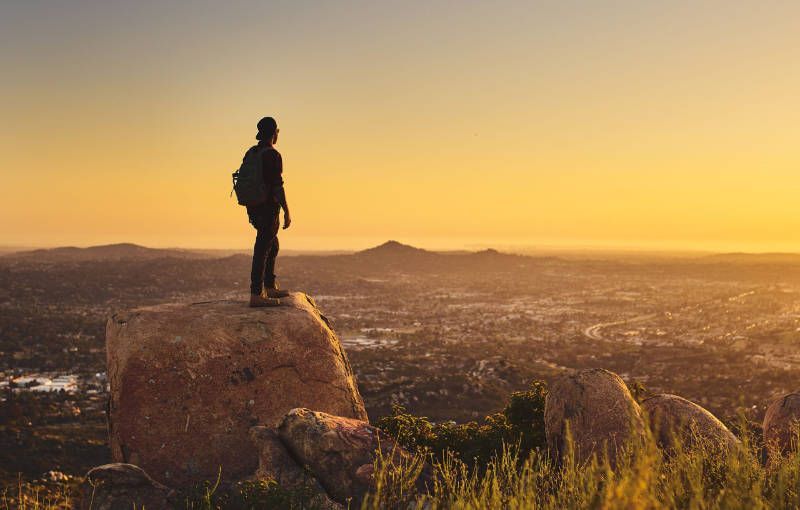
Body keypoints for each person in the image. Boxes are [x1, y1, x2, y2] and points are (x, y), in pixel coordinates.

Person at [246, 117, 292, 307]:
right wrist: (287, 211)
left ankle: (269, 286)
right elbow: (277, 187)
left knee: (272, 246)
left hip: (254, 207)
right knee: (263, 248)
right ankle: (257, 294)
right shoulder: (272, 155)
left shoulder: (252, 153)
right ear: (275, 133)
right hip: (267, 208)